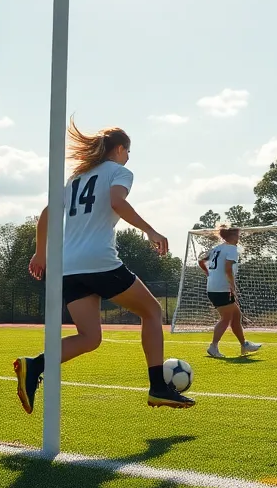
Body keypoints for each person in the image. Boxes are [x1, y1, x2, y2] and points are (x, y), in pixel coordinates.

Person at [15, 122, 195, 412]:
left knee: (90, 337)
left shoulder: (76, 177)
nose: (129, 158)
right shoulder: (119, 171)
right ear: (120, 148)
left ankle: (34, 365)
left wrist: (40, 253)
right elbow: (116, 201)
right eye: (128, 151)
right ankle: (158, 387)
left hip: (69, 267)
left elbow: (47, 213)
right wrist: (150, 230)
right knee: (151, 312)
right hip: (98, 260)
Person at [199, 224, 262, 359]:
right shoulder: (232, 249)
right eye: (237, 234)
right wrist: (232, 286)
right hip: (222, 288)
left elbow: (201, 261)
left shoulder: (217, 248)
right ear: (232, 236)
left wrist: (209, 274)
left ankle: (244, 344)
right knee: (226, 318)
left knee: (236, 315)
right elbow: (228, 268)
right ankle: (213, 346)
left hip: (213, 287)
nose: (239, 237)